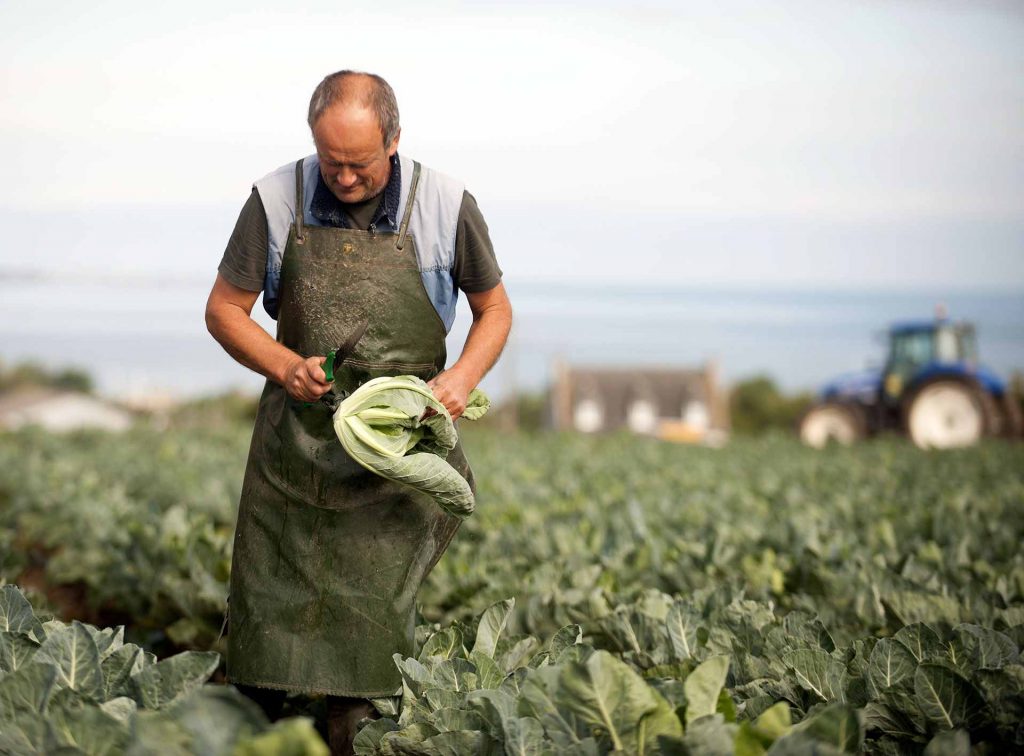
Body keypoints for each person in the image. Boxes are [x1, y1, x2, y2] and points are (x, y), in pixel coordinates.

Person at [205, 70, 512, 755]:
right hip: (295, 446)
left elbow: (495, 309)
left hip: (391, 451)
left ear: (395, 140)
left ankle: (351, 731)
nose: (342, 177)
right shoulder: (274, 198)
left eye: (360, 164)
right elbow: (225, 310)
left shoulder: (447, 204)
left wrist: (463, 375)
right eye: (330, 161)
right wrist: (285, 366)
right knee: (263, 636)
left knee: (366, 650)